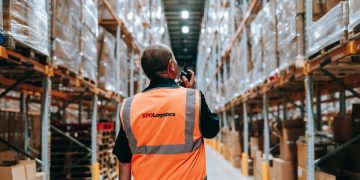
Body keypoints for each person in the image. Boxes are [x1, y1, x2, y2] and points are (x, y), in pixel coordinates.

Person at [113, 44, 219, 180]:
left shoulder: (129, 106)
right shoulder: (193, 99)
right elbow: (211, 130)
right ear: (171, 66)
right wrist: (191, 92)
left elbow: (124, 163)